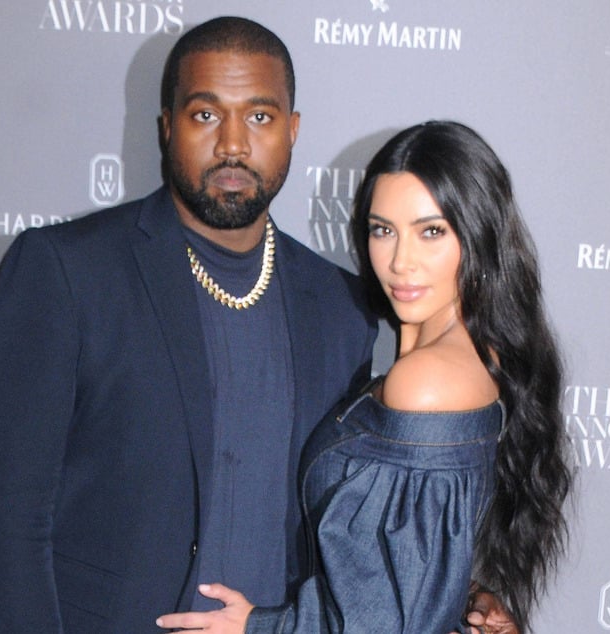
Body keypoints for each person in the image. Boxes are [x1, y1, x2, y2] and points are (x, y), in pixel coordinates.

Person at [0, 15, 518, 633]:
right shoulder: (66, 271)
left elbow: (349, 518)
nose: (233, 144)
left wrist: (459, 591)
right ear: (166, 126)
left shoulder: (341, 305)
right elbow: (4, 514)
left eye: (259, 117)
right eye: (205, 115)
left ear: (292, 130)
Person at [157, 121, 572, 633]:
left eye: (431, 231)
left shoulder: (425, 382)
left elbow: (378, 620)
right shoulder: (477, 358)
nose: (400, 261)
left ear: (479, 235)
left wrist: (257, 627)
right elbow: (417, 564)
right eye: (383, 230)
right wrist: (470, 592)